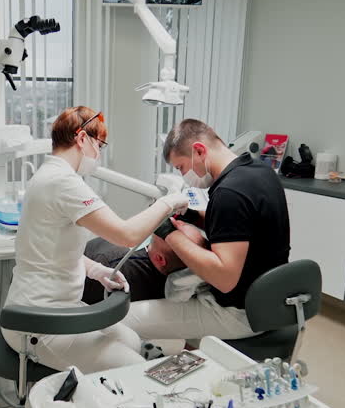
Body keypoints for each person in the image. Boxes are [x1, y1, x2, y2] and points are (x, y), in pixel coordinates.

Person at [2, 106, 190, 372]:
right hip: (39, 323)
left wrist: (96, 270)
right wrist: (168, 202)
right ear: (81, 139)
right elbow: (127, 235)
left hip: (59, 308)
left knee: (132, 341)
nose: (99, 154)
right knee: (132, 369)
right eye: (99, 145)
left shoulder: (47, 176)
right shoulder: (63, 182)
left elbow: (52, 248)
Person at [120, 118, 290, 343]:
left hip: (238, 315)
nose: (183, 176)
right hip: (268, 303)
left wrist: (167, 232)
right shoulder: (259, 172)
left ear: (199, 151)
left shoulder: (230, 193)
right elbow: (237, 227)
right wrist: (190, 215)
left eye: (181, 167)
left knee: (125, 320)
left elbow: (224, 278)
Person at [80, 227, 205, 304]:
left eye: (176, 230)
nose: (173, 221)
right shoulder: (178, 277)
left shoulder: (112, 266)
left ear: (160, 259)